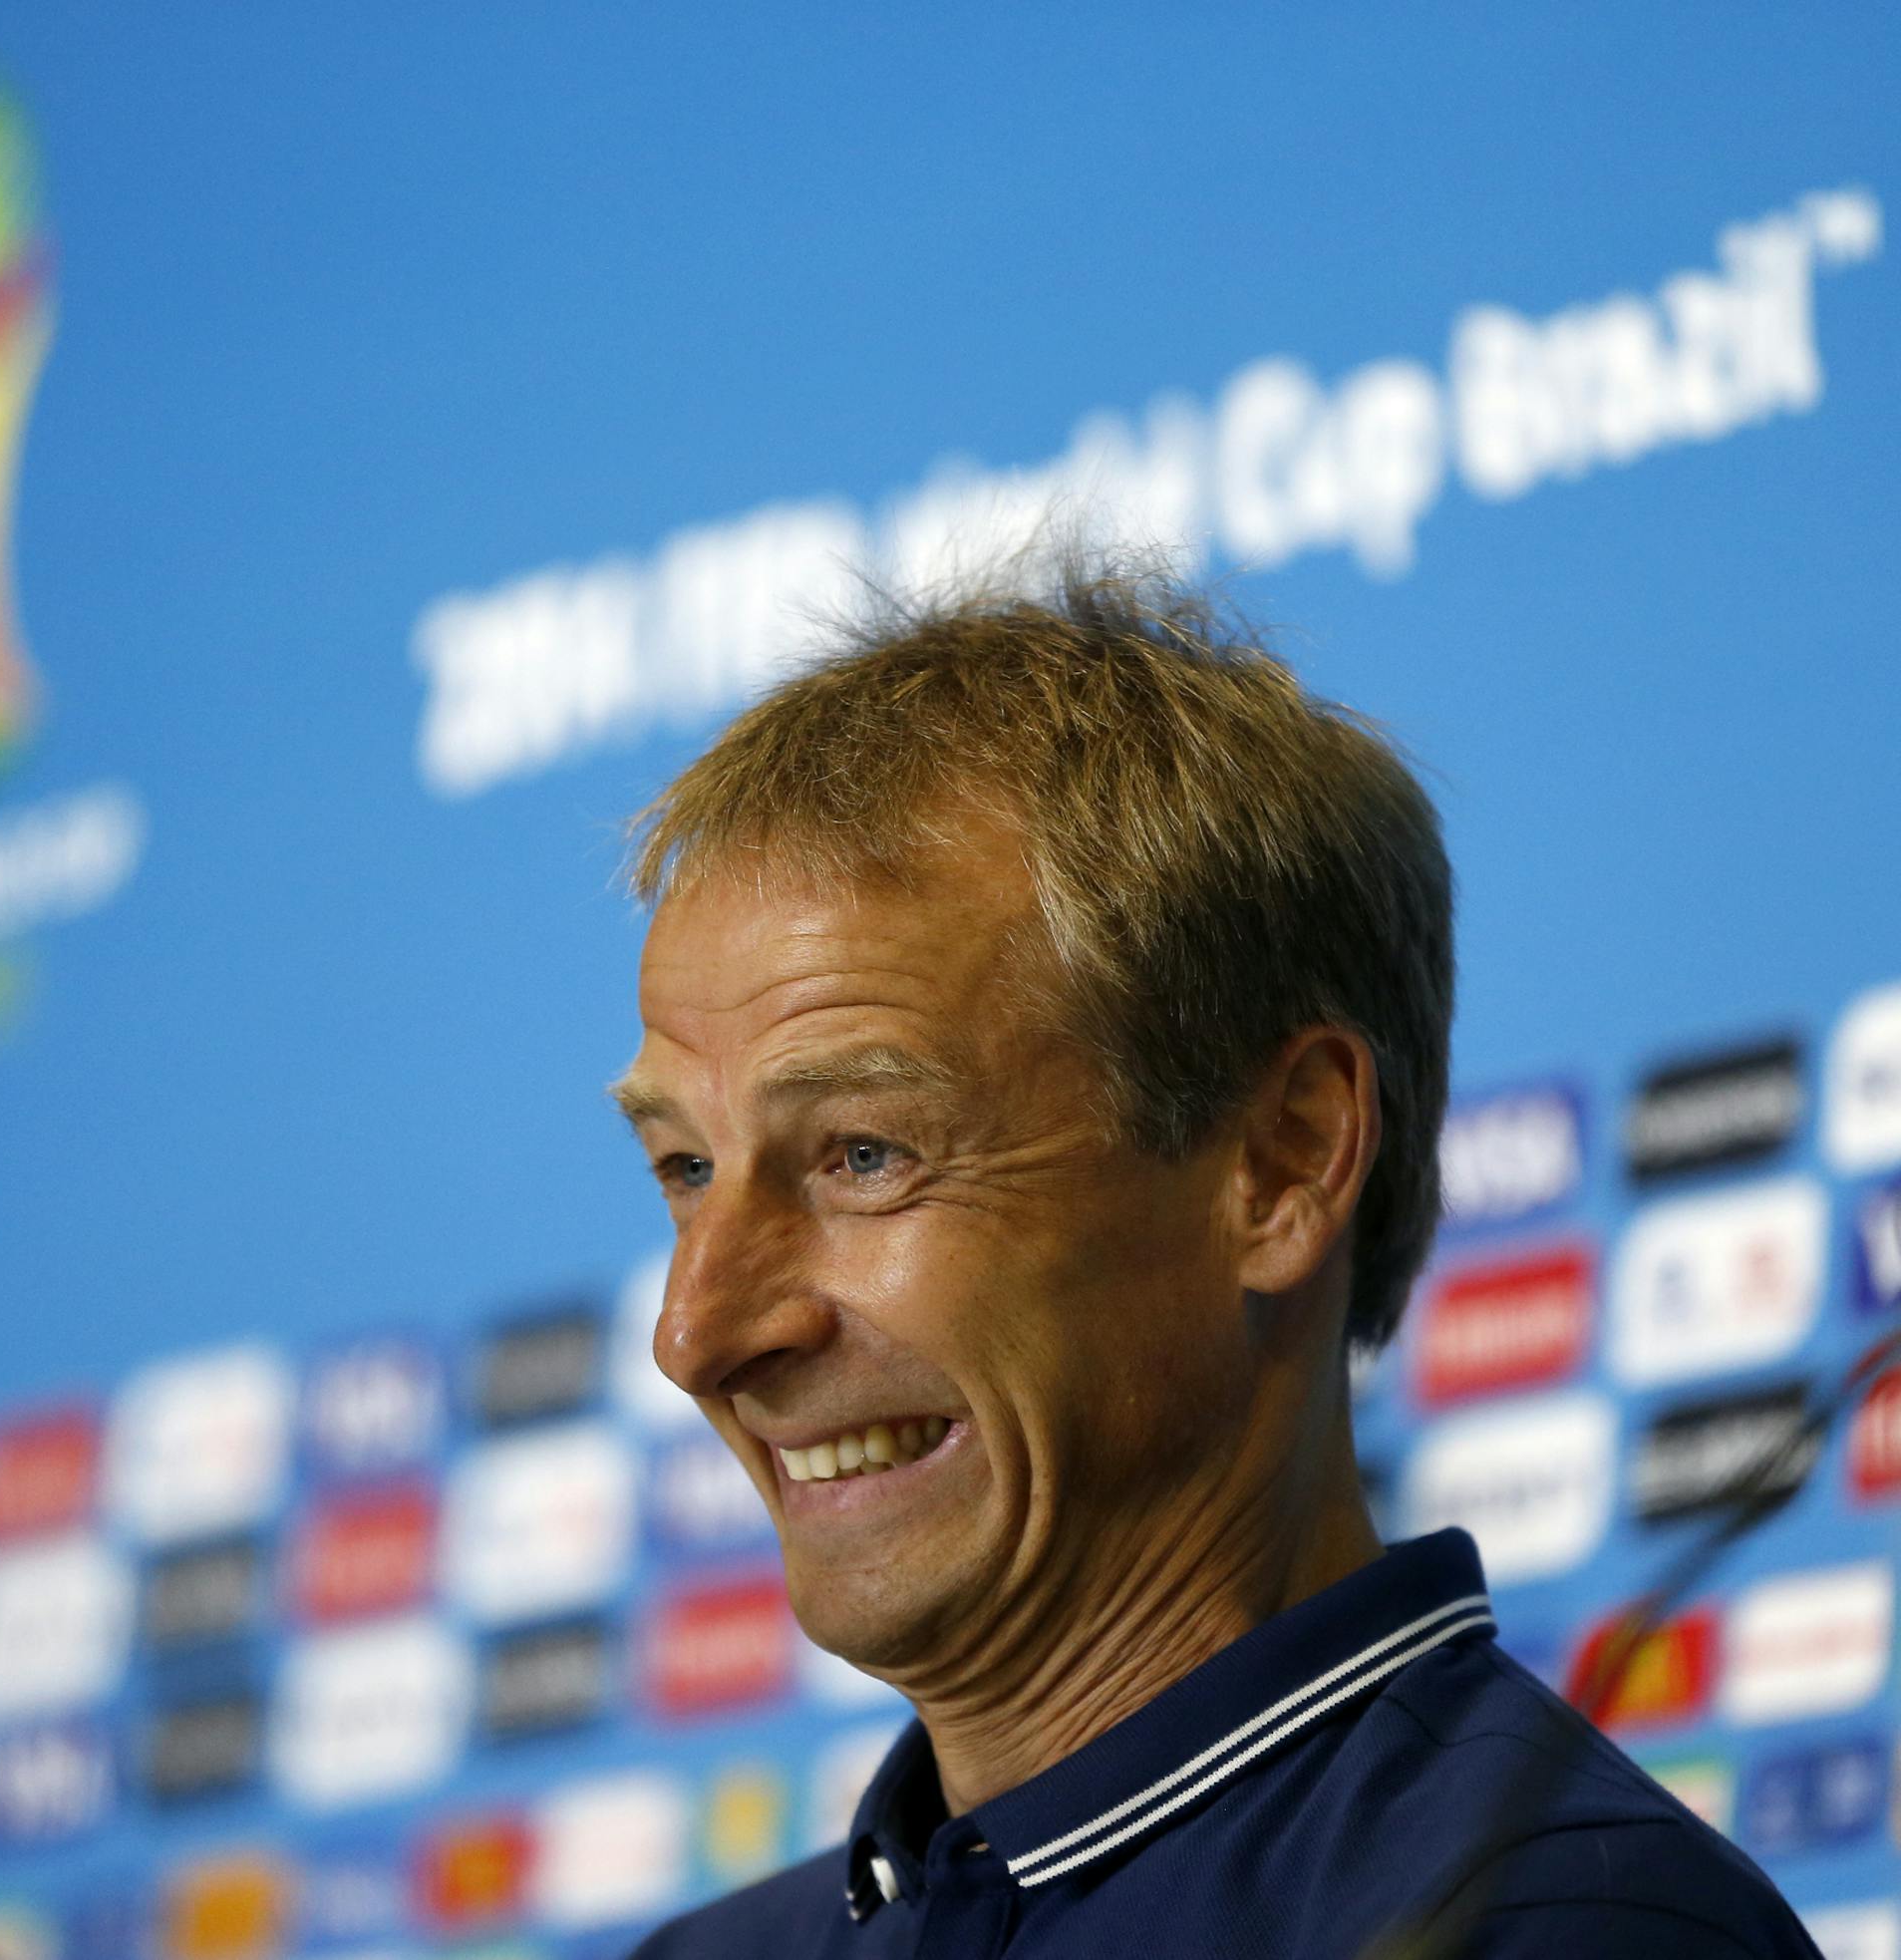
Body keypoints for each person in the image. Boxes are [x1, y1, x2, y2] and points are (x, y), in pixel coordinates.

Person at [612, 559, 1815, 1957]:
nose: (696, 1331)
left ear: (1283, 1164)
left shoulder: (1554, 1928)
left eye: (863, 1152)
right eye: (686, 1169)